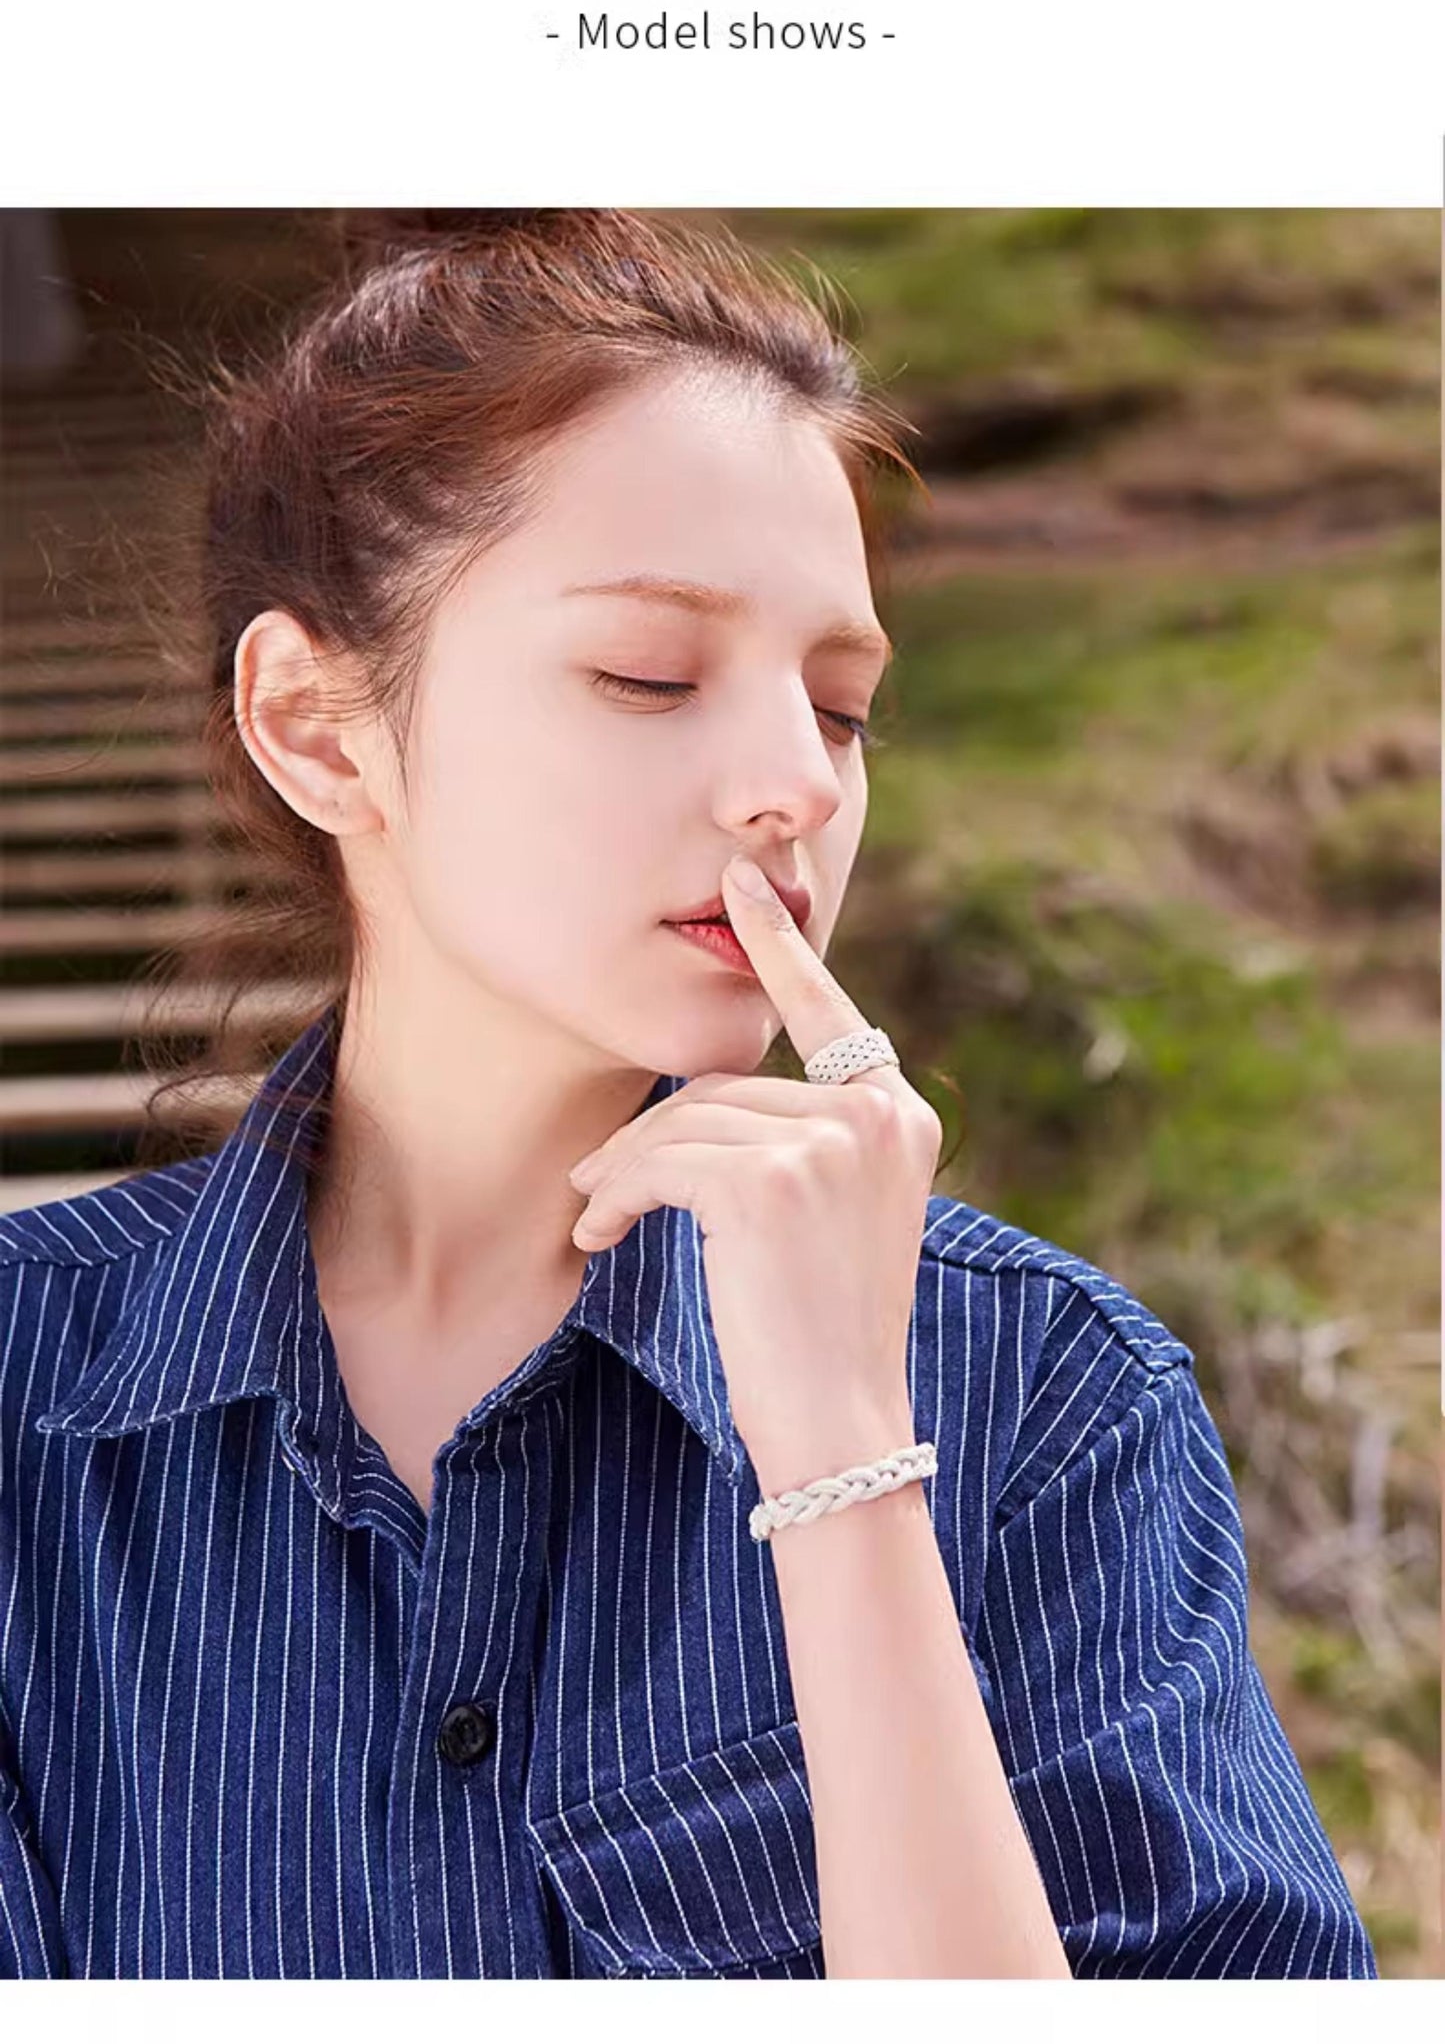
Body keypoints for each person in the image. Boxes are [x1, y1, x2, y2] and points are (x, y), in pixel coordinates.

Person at [0, 209, 1376, 1980]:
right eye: (650, 673)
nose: (791, 786)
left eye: (844, 706)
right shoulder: (34, 1404)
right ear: (321, 728)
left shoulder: (1038, 1394)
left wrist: (846, 1466)